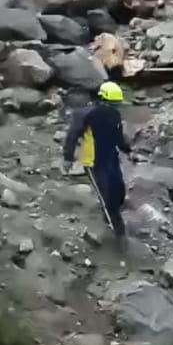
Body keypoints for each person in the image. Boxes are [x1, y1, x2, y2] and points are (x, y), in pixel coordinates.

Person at [62, 82, 131, 241]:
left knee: (118, 189)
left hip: (111, 157)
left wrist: (127, 149)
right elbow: (73, 135)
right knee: (105, 193)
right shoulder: (85, 115)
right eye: (113, 104)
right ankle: (116, 230)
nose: (115, 107)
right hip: (93, 161)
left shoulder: (115, 114)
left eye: (117, 104)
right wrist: (68, 158)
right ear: (102, 100)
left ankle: (115, 211)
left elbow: (118, 135)